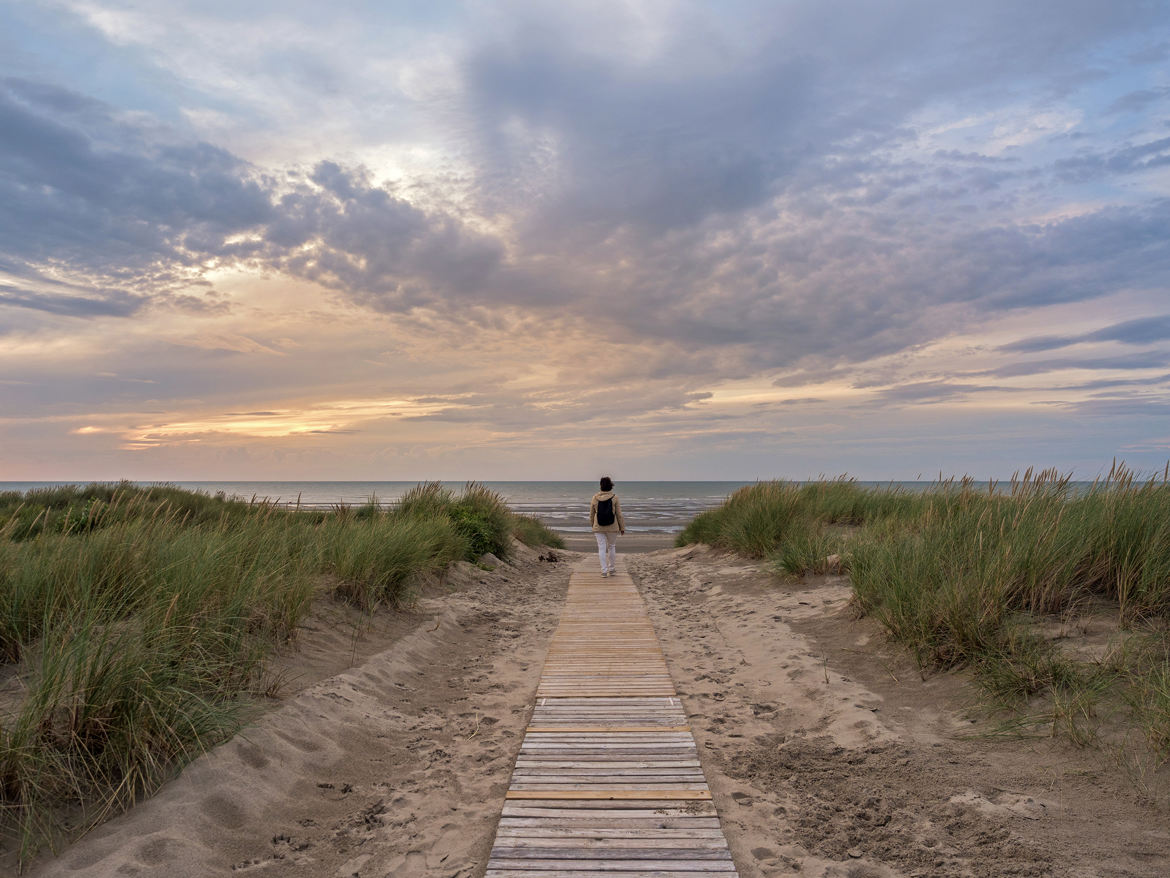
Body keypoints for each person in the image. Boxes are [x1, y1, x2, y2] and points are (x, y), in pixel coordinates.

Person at [590, 476, 626, 577]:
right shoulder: (615, 497)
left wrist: (593, 525)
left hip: (598, 527)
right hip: (612, 526)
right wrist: (622, 527)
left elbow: (591, 514)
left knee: (601, 548)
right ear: (611, 486)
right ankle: (612, 569)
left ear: (600, 486)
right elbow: (619, 514)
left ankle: (604, 571)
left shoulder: (594, 497)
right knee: (611, 547)